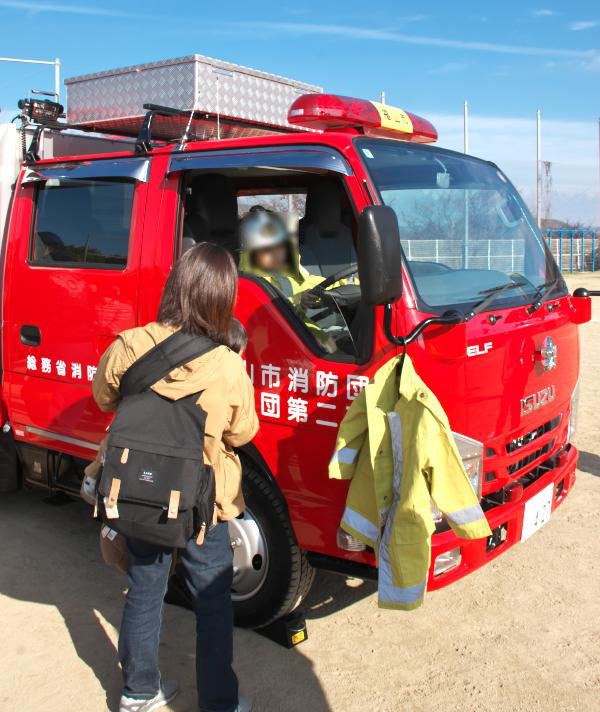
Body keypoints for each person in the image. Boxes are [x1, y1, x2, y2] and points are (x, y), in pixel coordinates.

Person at [91, 242, 259, 712]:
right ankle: (219, 703)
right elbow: (243, 432)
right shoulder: (227, 364)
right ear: (222, 299)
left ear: (175, 286)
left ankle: (138, 692)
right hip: (203, 502)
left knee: (145, 588)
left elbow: (103, 397)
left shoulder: (129, 345)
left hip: (139, 493)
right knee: (212, 598)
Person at [238, 206, 337, 351]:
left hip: (312, 341)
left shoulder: (284, 265)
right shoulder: (248, 278)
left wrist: (356, 283)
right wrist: (299, 302)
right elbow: (267, 313)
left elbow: (314, 283)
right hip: (285, 348)